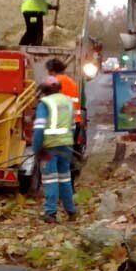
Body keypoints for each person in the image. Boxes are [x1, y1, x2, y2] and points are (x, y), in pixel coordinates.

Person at [32, 76, 77, 224]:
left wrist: (37, 149)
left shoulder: (45, 103)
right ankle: (71, 210)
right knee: (65, 179)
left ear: (44, 90)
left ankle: (50, 213)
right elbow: (73, 126)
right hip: (66, 146)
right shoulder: (67, 101)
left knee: (50, 179)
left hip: (49, 146)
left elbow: (39, 129)